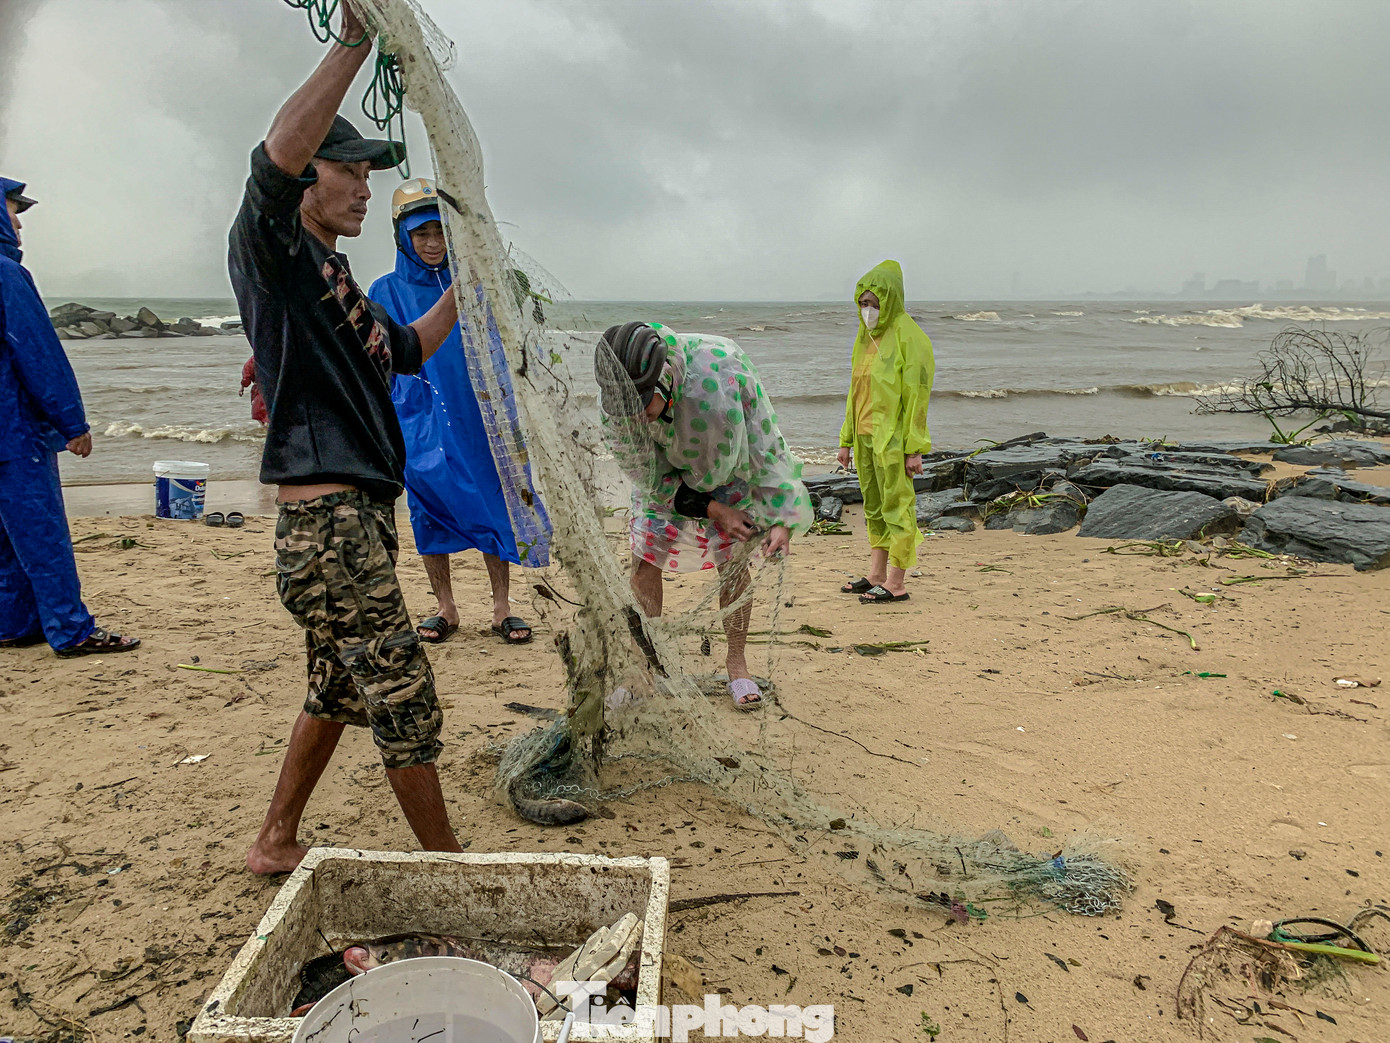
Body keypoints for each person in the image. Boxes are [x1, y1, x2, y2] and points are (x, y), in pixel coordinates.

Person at [227, 2, 465, 875]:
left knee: (336, 683)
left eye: (370, 174)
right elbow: (268, 162)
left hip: (356, 522)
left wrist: (466, 288)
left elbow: (405, 350)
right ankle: (455, 874)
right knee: (404, 695)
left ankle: (275, 838)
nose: (365, 187)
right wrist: (355, 45)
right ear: (309, 176)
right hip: (325, 525)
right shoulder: (274, 246)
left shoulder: (335, 278)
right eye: (350, 170)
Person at [368, 178, 549, 647]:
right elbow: (379, 358)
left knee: (494, 499)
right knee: (428, 507)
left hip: (478, 412)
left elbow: (503, 347)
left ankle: (502, 606)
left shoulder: (475, 285)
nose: (432, 244)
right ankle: (446, 607)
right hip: (419, 416)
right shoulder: (383, 290)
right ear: (402, 236)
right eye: (421, 234)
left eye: (441, 233)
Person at [595, 322, 811, 709]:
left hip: (731, 472)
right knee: (645, 561)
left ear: (663, 381)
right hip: (663, 479)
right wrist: (713, 510)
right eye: (624, 409)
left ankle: (737, 663)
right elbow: (651, 478)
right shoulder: (620, 406)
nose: (634, 417)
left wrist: (781, 516)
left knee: (732, 565)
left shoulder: (725, 367)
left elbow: (766, 440)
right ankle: (641, 671)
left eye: (642, 406)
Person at [0, 177, 139, 657]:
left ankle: (15, 624)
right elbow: (36, 355)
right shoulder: (6, 275)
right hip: (13, 433)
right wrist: (72, 423)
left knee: (5, 537)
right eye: (12, 210)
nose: (18, 223)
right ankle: (71, 630)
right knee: (41, 534)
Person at [836, 260, 935, 604]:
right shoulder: (864, 339)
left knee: (898, 506)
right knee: (874, 506)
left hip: (892, 439)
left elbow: (917, 395)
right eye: (863, 304)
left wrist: (915, 447)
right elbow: (855, 392)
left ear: (890, 301)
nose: (868, 311)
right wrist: (846, 440)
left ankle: (896, 582)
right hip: (865, 438)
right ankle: (876, 574)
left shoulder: (910, 338)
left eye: (874, 304)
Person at [239, 355, 267, 425]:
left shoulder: (254, 359)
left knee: (262, 416)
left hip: (261, 390)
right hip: (279, 388)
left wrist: (242, 386)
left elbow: (247, 376)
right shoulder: (281, 355)